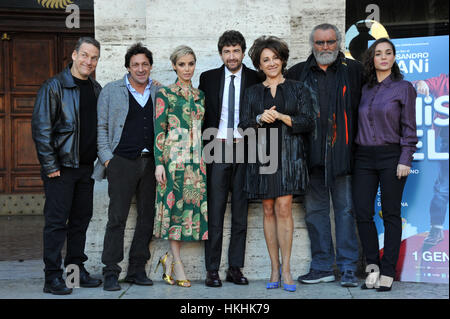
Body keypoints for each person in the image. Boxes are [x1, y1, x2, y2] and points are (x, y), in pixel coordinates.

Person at [286, 23, 364, 287]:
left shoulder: (354, 71)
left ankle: (348, 268)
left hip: (344, 156)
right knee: (315, 214)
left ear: (338, 43)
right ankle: (321, 267)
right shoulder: (297, 73)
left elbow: (377, 92)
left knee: (345, 212)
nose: (326, 47)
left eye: (330, 42)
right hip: (311, 157)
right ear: (312, 44)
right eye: (320, 43)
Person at [239, 36, 315, 292]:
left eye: (275, 58)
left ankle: (287, 269)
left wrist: (282, 116)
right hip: (262, 155)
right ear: (259, 65)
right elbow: (243, 124)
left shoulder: (298, 88)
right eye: (265, 60)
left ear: (283, 59)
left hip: (291, 155)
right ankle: (273, 267)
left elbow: (308, 122)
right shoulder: (251, 92)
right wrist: (260, 117)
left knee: (284, 208)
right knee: (268, 209)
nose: (271, 63)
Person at [31, 37, 103, 295]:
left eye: (94, 57)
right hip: (60, 169)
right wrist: (50, 165)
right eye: (84, 55)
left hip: (85, 168)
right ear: (74, 55)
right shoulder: (54, 86)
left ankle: (74, 272)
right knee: (56, 223)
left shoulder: (96, 89)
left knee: (80, 222)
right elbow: (41, 129)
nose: (89, 61)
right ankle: (52, 277)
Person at [93, 43, 160, 291]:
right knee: (116, 218)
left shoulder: (158, 92)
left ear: (150, 66)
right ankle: (111, 271)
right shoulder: (111, 91)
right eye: (135, 65)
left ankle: (136, 269)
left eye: (144, 64)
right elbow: (101, 127)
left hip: (151, 163)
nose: (140, 69)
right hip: (121, 162)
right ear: (128, 67)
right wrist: (108, 159)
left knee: (147, 217)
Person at [353, 38, 418, 292]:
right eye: (378, 53)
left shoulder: (404, 87)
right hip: (364, 157)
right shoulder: (365, 88)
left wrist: (405, 158)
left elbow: (409, 128)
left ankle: (388, 271)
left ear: (393, 57)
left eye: (388, 53)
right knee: (362, 212)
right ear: (372, 58)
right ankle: (373, 267)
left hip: (392, 156)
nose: (383, 57)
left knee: (391, 214)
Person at [199, 30, 260, 287]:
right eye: (227, 51)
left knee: (240, 213)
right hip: (217, 149)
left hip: (245, 149)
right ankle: (212, 269)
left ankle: (235, 267)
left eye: (236, 51)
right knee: (215, 211)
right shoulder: (208, 78)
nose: (231, 56)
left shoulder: (256, 78)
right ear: (221, 53)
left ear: (243, 53)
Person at [153, 45, 208, 288]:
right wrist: (159, 164)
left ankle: (169, 260)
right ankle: (176, 261)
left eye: (191, 63)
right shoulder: (164, 94)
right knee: (175, 213)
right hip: (172, 163)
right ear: (174, 66)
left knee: (189, 213)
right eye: (182, 64)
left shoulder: (200, 96)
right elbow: (159, 131)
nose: (187, 69)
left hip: (196, 165)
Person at [414, 74, 448, 247]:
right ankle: (436, 229)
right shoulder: (443, 80)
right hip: (446, 142)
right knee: (443, 188)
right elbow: (419, 84)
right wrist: (421, 84)